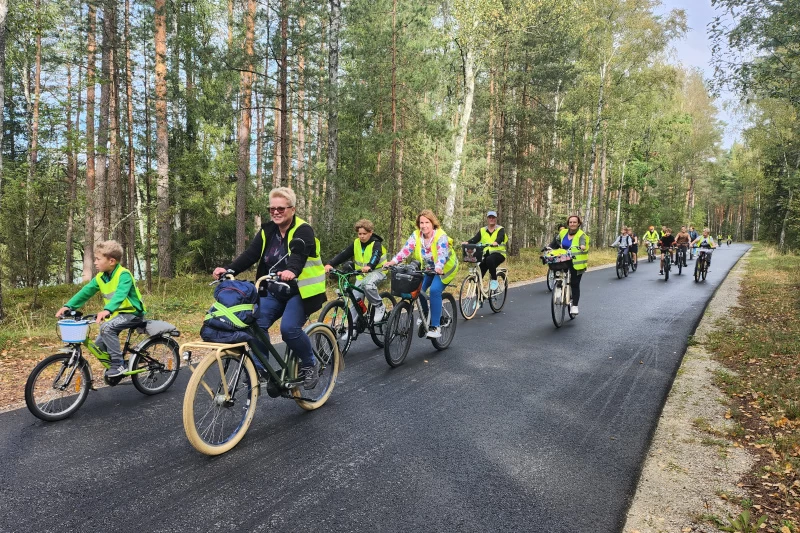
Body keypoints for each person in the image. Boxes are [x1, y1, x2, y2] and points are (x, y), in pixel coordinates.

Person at [213, 187, 326, 390]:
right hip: (274, 289)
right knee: (254, 324)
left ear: (292, 209)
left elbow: (299, 252)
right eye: (271, 208)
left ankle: (309, 364)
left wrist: (292, 270)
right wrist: (229, 269)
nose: (275, 212)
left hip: (301, 291)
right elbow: (251, 254)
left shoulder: (303, 230)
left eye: (281, 208)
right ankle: (261, 369)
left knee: (289, 329)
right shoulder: (268, 230)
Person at [57, 240, 146, 378]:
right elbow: (85, 291)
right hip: (117, 314)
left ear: (111, 261)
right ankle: (118, 368)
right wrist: (69, 306)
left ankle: (118, 364)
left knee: (106, 328)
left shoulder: (124, 274)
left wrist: (107, 310)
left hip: (133, 313)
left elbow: (120, 295)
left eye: (98, 259)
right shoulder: (100, 277)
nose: (95, 262)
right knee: (99, 344)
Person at [385, 209, 458, 338]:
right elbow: (406, 250)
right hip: (429, 268)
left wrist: (439, 267)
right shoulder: (416, 235)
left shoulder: (440, 236)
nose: (424, 225)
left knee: (434, 290)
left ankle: (435, 326)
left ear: (433, 223)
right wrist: (393, 261)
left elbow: (442, 254)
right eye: (421, 223)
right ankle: (425, 315)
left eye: (427, 222)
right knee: (418, 290)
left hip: (445, 268)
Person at [324, 219, 388, 326]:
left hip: (378, 271)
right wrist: (330, 263)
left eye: (364, 234)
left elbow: (375, 256)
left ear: (371, 232)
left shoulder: (376, 243)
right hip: (362, 275)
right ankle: (352, 328)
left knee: (367, 285)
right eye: (359, 234)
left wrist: (369, 266)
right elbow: (343, 254)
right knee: (355, 300)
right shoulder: (356, 243)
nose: (362, 236)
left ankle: (379, 306)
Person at [547, 215, 589, 315]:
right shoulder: (563, 232)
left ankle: (574, 305)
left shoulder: (581, 235)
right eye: (570, 222)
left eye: (574, 222)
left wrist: (582, 246)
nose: (572, 224)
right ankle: (559, 290)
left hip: (576, 262)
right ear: (568, 223)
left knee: (574, 283)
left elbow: (583, 244)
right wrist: (549, 247)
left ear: (579, 223)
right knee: (558, 275)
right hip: (564, 260)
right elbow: (555, 242)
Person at [463, 210, 509, 291]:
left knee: (490, 260)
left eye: (493, 217)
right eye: (490, 217)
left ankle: (494, 280)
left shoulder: (500, 229)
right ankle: (479, 299)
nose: (491, 219)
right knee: (479, 273)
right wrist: (467, 242)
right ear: (487, 219)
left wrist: (496, 242)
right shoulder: (483, 230)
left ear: (496, 219)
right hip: (487, 254)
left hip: (499, 254)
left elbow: (500, 237)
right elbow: (475, 239)